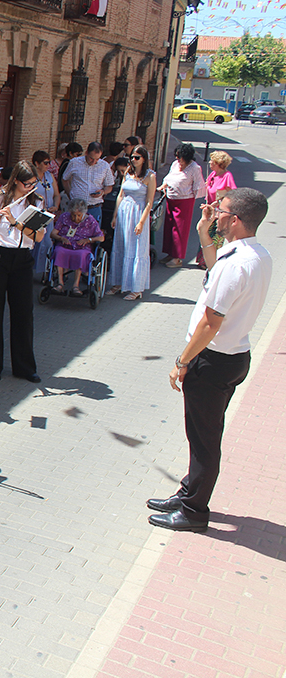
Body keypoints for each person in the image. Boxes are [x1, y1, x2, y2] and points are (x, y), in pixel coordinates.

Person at [149, 188, 272, 532]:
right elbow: (218, 274)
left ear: (235, 220)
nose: (214, 212)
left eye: (221, 210)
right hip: (233, 357)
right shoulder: (254, 255)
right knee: (202, 433)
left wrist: (183, 360)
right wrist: (205, 235)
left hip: (213, 360)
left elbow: (210, 322)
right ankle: (189, 491)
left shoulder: (237, 264)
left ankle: (194, 511)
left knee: (204, 440)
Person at [0, 161, 46, 383]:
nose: (30, 187)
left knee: (23, 313)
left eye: (34, 183)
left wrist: (15, 222)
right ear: (15, 180)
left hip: (22, 259)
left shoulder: (35, 202)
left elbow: (38, 236)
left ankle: (25, 367)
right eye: (27, 183)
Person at [107, 146, 156, 300]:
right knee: (120, 246)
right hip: (124, 211)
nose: (133, 160)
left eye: (137, 157)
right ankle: (118, 283)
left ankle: (136, 288)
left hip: (138, 211)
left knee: (136, 249)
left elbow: (149, 201)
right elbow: (121, 194)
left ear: (144, 159)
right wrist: (115, 215)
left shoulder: (150, 176)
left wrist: (141, 222)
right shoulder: (128, 172)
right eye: (132, 157)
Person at [159, 142, 206, 269]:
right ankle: (170, 253)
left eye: (180, 157)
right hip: (171, 199)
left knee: (179, 229)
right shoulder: (175, 165)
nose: (178, 159)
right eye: (176, 156)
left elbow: (198, 186)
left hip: (184, 201)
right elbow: (168, 178)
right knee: (169, 227)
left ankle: (177, 257)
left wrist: (192, 199)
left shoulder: (194, 168)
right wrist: (163, 186)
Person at [49, 199, 104, 295]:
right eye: (73, 215)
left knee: (81, 255)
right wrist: (61, 238)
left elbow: (101, 237)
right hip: (65, 245)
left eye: (79, 215)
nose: (75, 218)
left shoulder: (90, 220)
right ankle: (60, 283)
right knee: (59, 251)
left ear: (84, 213)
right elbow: (53, 233)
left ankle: (76, 285)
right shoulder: (64, 217)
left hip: (82, 247)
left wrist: (88, 240)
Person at [197, 151, 238, 269]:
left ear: (218, 163)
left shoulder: (227, 176)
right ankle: (203, 260)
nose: (209, 162)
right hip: (209, 211)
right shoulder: (213, 175)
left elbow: (232, 194)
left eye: (212, 161)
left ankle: (212, 262)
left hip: (220, 213)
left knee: (215, 237)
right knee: (204, 233)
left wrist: (218, 203)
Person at [62, 141, 113, 224]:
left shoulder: (105, 166)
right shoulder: (74, 162)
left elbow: (109, 186)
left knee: (93, 235)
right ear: (86, 153)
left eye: (97, 159)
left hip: (94, 207)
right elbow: (65, 179)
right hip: (76, 208)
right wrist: (70, 194)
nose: (93, 162)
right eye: (91, 158)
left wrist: (102, 192)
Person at [30, 150, 59, 278]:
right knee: (33, 243)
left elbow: (57, 194)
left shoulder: (50, 176)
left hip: (48, 215)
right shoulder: (30, 177)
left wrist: (56, 206)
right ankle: (29, 270)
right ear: (37, 163)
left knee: (47, 243)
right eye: (45, 163)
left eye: (49, 163)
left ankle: (45, 271)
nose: (48, 165)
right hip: (35, 214)